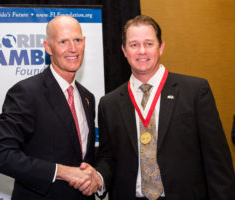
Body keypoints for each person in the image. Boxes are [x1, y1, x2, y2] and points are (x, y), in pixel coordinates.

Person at [95, 15, 235, 200]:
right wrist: (96, 177)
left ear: (161, 47)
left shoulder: (194, 92)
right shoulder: (109, 103)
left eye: (149, 44)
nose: (142, 51)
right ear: (124, 50)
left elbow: (217, 162)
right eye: (134, 44)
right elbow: (108, 158)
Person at [0, 15, 100, 200]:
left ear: (84, 42)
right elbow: (0, 155)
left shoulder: (88, 97)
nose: (73, 48)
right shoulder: (26, 93)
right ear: (48, 47)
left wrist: (94, 176)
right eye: (63, 41)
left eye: (77, 40)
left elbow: (81, 156)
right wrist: (61, 171)